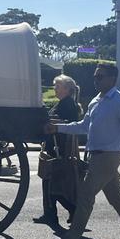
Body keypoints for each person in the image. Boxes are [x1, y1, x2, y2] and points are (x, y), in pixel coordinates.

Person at [43, 63, 120, 239]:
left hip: (107, 157)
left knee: (84, 198)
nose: (96, 80)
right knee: (118, 200)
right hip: (96, 156)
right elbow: (84, 126)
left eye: (100, 77)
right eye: (95, 77)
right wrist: (58, 128)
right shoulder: (96, 101)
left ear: (113, 79)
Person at [34, 75, 83, 230]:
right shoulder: (66, 103)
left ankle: (69, 210)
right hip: (56, 146)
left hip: (59, 148)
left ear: (67, 89)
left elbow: (66, 124)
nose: (55, 89)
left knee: (53, 184)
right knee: (51, 182)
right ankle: (51, 214)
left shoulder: (67, 105)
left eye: (58, 86)